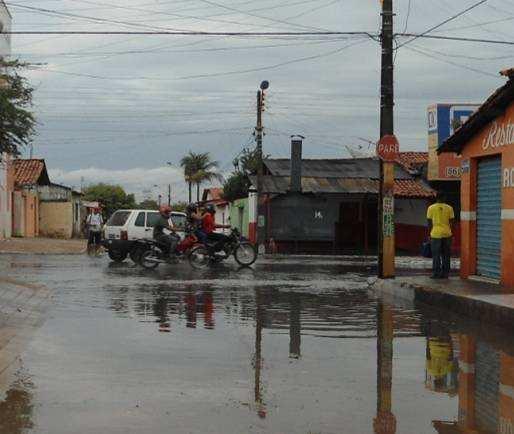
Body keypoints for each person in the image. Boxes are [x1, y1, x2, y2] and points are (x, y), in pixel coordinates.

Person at [427, 193, 455, 279]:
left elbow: (429, 223)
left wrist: (429, 234)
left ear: (436, 198)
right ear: (444, 197)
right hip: (447, 234)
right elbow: (452, 222)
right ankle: (445, 274)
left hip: (435, 234)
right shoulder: (449, 208)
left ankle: (436, 273)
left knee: (436, 255)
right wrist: (451, 232)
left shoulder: (431, 208)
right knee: (446, 255)